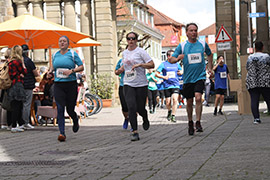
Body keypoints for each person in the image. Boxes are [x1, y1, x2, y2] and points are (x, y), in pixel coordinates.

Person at [169, 23, 213, 135]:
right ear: (187, 33)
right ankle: (190, 122)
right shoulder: (182, 46)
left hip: (200, 76)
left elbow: (210, 54)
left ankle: (198, 121)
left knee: (198, 98)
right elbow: (172, 59)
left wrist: (210, 68)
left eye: (195, 30)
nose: (194, 32)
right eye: (191, 30)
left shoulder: (202, 44)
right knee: (189, 101)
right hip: (188, 78)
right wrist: (179, 57)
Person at [119, 32, 154, 141]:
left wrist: (140, 65)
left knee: (140, 108)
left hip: (141, 83)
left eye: (133, 38)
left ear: (136, 40)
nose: (131, 40)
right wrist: (120, 70)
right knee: (131, 107)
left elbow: (151, 64)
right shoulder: (124, 53)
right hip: (128, 83)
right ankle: (134, 131)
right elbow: (125, 65)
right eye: (129, 39)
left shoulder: (141, 52)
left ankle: (145, 116)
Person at [51, 36, 84, 142]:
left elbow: (81, 66)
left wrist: (72, 71)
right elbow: (53, 67)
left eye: (64, 41)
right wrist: (49, 72)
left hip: (70, 84)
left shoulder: (73, 54)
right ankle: (62, 133)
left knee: (70, 109)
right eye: (60, 41)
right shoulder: (55, 54)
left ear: (68, 43)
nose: (62, 43)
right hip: (58, 85)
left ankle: (75, 119)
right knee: (60, 108)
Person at [246, 41, 270, 124]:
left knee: (254, 100)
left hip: (252, 81)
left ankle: (256, 118)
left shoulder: (250, 57)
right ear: (262, 47)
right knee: (268, 99)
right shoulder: (266, 56)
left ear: (255, 48)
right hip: (265, 81)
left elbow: (247, 68)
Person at [156, 50, 182, 123]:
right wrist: (163, 77)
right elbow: (156, 74)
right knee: (168, 102)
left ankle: (173, 115)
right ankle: (169, 111)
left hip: (175, 84)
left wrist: (181, 72)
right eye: (173, 56)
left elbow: (181, 70)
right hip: (167, 85)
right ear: (168, 56)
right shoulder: (163, 64)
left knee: (175, 99)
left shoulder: (177, 64)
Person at [8, 45, 27, 132]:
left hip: (12, 85)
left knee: (15, 105)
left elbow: (12, 75)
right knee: (18, 106)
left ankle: (18, 123)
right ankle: (15, 125)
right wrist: (23, 64)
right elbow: (24, 71)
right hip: (18, 85)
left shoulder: (10, 62)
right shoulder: (18, 62)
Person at [20, 44, 40, 129]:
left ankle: (19, 122)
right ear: (27, 52)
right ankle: (25, 122)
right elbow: (35, 73)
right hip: (28, 85)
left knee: (20, 104)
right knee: (27, 104)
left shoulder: (18, 61)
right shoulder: (29, 61)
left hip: (19, 85)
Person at [115, 58, 129, 129]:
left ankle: (133, 122)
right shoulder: (121, 61)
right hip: (123, 85)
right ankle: (126, 118)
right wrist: (120, 70)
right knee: (124, 106)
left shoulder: (136, 60)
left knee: (133, 105)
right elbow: (116, 72)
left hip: (133, 85)